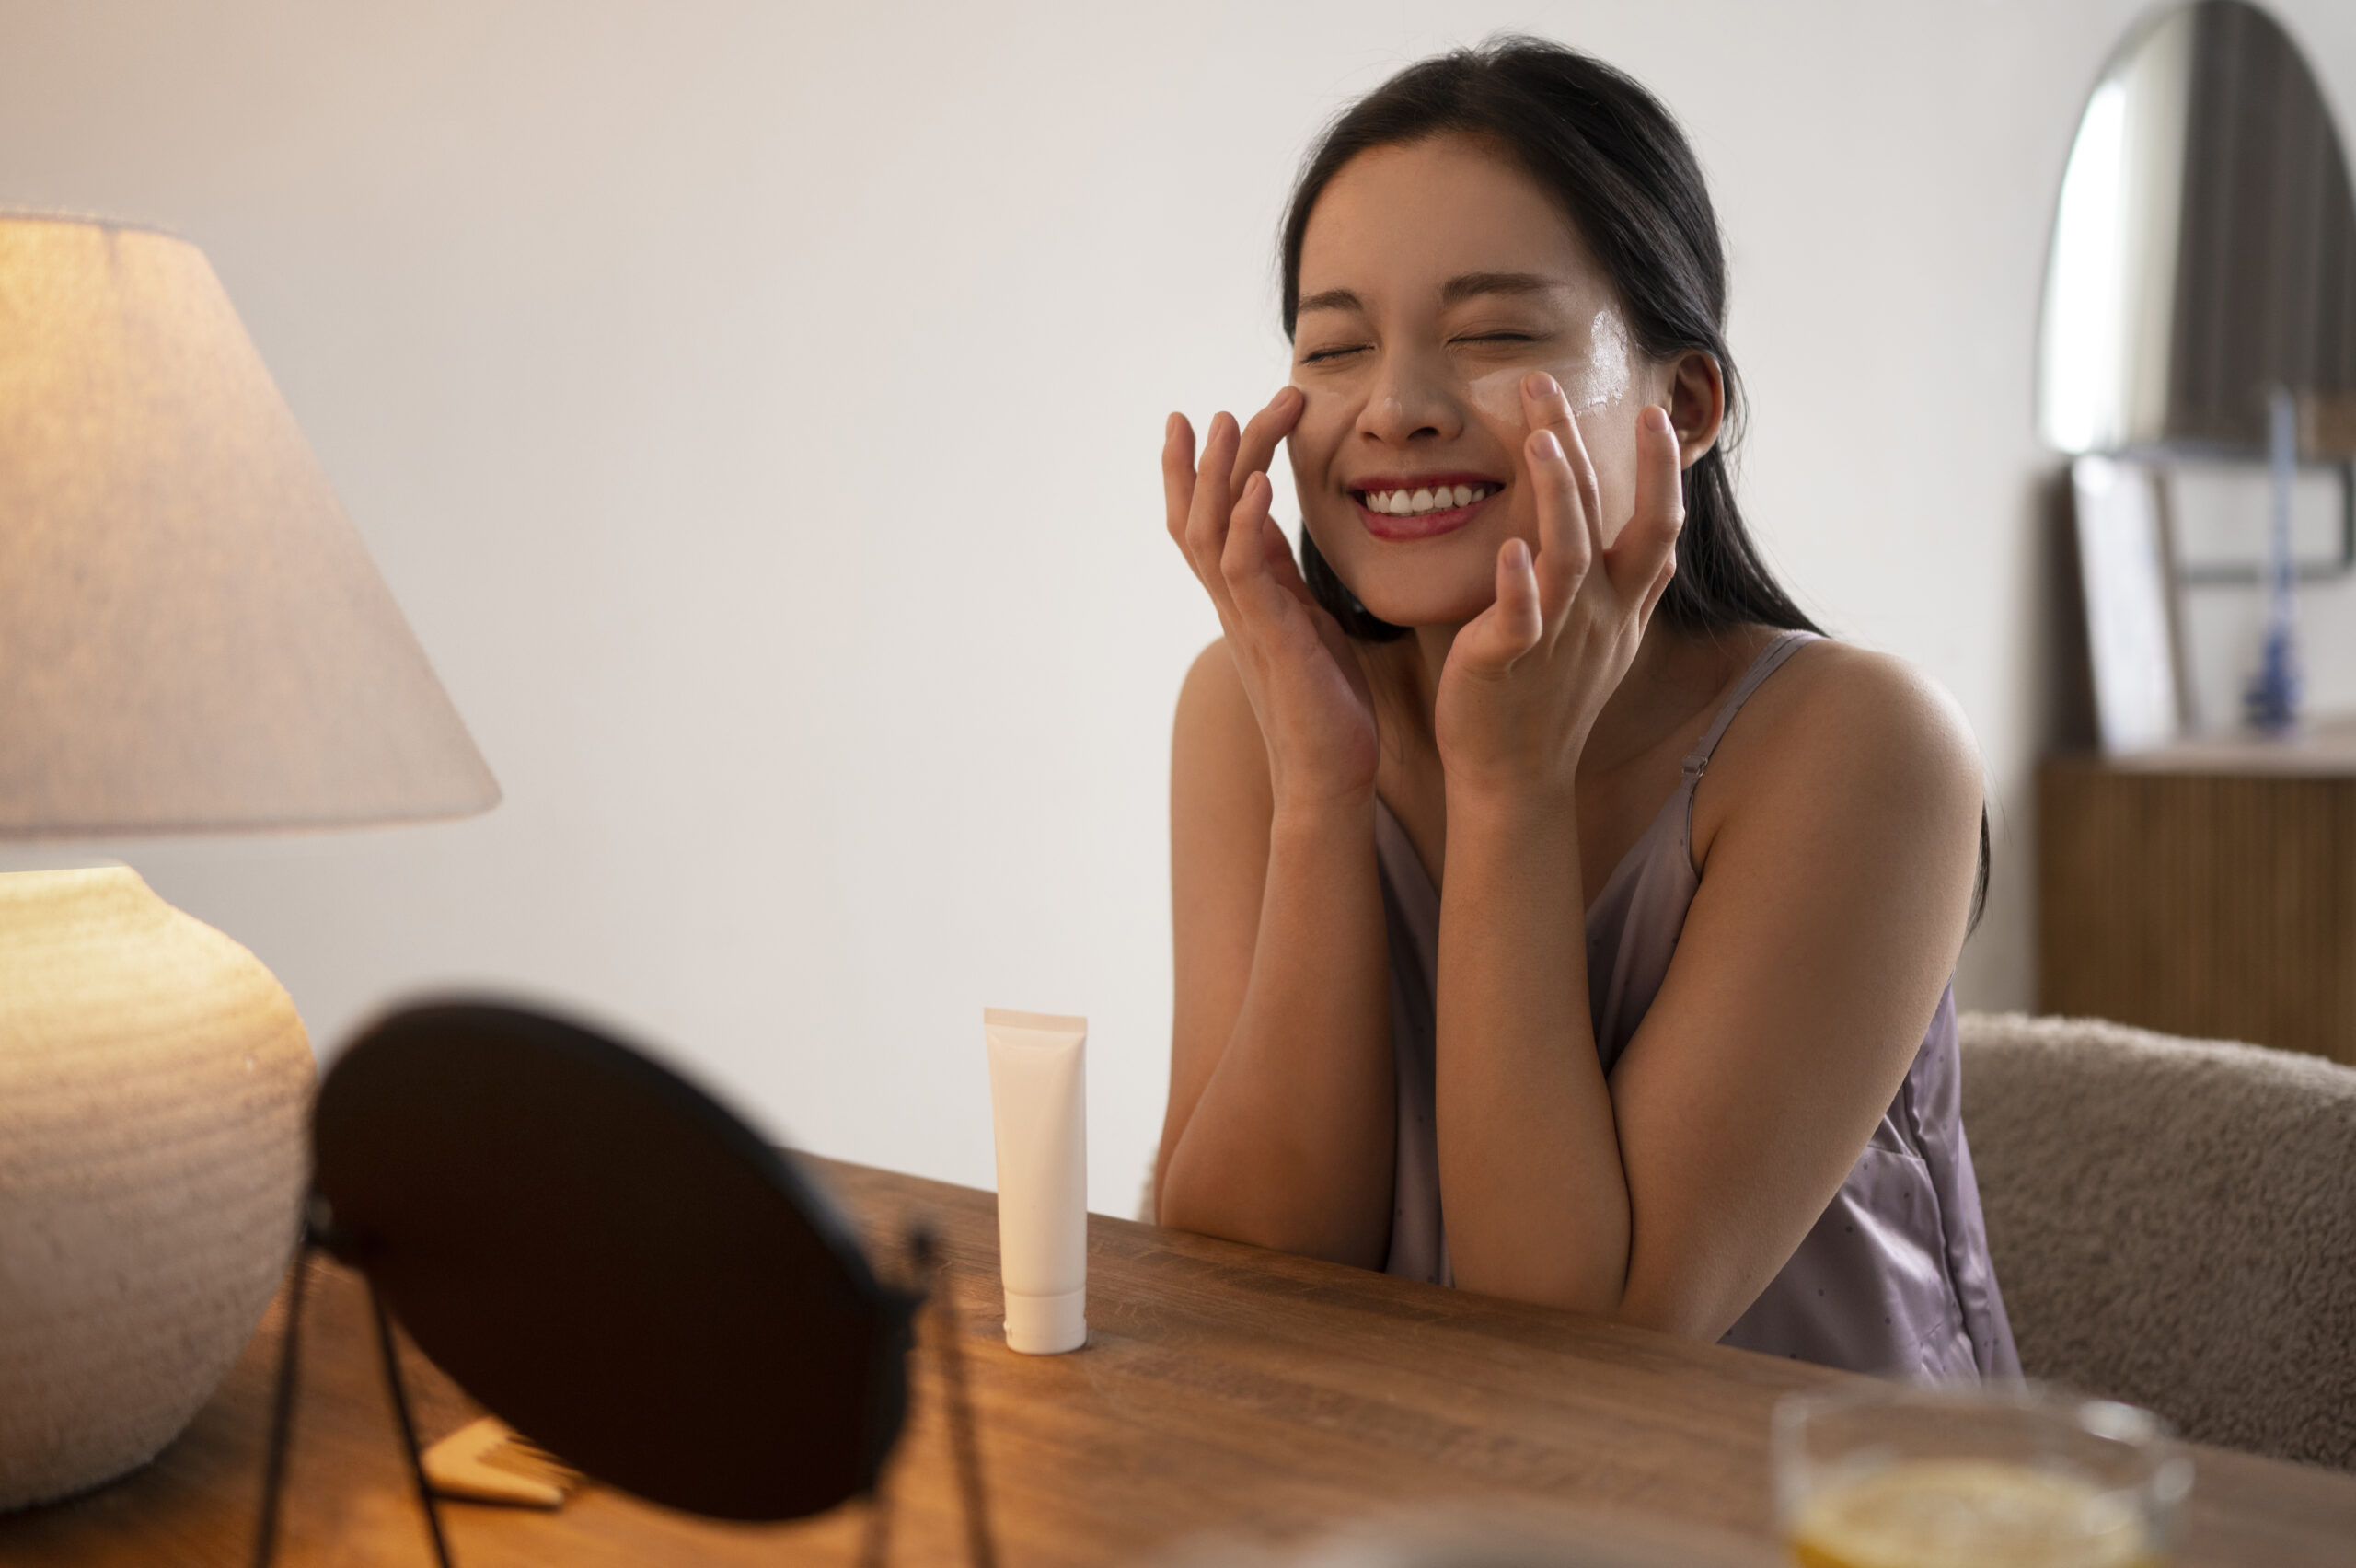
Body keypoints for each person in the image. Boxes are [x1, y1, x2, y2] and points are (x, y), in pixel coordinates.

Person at [1152, 37, 2016, 1380]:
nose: (1397, 407)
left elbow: (1584, 1342)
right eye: (1334, 346)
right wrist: (1324, 791)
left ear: (1683, 406)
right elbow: (1240, 1272)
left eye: (1494, 334)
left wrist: (1508, 789)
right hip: (1416, 1499)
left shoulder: (1867, 750)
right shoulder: (1258, 706)